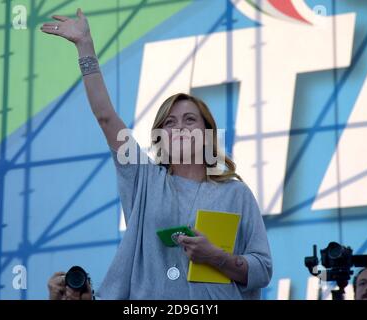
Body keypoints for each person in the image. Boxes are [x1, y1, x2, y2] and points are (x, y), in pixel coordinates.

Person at [42, 8, 272, 300]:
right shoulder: (144, 179)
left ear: (208, 134)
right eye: (170, 122)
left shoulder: (236, 194)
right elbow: (106, 118)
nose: (180, 128)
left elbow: (263, 270)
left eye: (190, 120)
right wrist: (85, 47)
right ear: (160, 137)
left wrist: (217, 257)